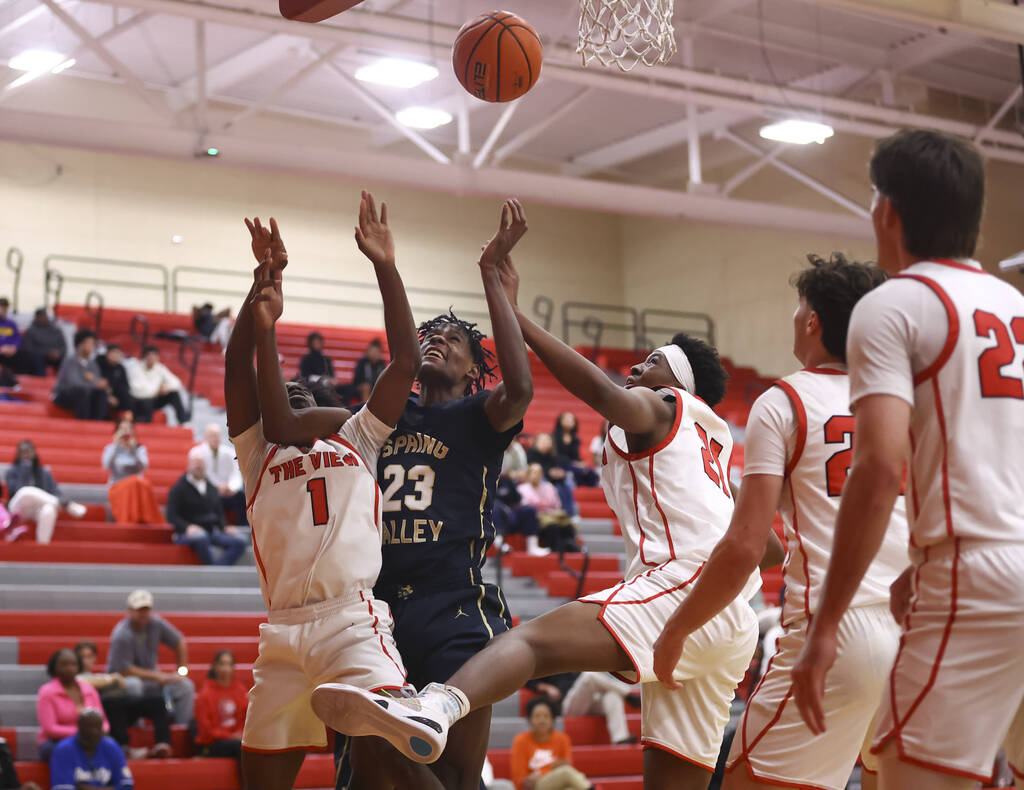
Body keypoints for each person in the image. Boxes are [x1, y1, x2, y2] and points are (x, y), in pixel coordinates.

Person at [317, 255, 784, 789]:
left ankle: (439, 705)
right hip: (733, 617)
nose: (636, 369)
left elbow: (601, 394)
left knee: (528, 644)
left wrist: (517, 316)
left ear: (677, 385)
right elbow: (769, 547)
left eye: (652, 362)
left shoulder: (662, 405)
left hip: (682, 586)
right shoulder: (717, 445)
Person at [790, 130, 1024, 790]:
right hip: (1001, 559)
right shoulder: (1015, 305)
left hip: (977, 578)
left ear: (886, 211)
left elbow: (879, 469)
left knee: (902, 772)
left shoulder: (890, 306)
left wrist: (826, 623)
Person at [651, 254, 908, 790]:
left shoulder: (785, 399)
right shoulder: (902, 402)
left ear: (812, 321)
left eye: (799, 307)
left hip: (839, 630)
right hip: (917, 628)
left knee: (746, 779)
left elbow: (746, 544)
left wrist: (676, 629)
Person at [228, 200, 439, 790]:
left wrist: (386, 266)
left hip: (351, 620)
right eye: (285, 388)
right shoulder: (257, 452)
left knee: (394, 760)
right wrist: (260, 289)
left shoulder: (356, 436)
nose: (291, 391)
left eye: (303, 389)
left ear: (320, 401)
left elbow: (405, 360)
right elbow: (237, 368)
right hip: (281, 632)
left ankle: (408, 708)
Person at [324, 199, 534, 790]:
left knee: (457, 774)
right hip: (374, 608)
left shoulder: (478, 416)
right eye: (431, 336)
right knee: (367, 770)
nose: (437, 341)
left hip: (452, 605)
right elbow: (400, 354)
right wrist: (386, 266)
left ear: (474, 371)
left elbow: (519, 387)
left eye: (452, 339)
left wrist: (492, 276)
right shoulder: (386, 416)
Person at [105, 589, 195, 727]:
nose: (143, 613)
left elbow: (179, 642)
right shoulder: (121, 634)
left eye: (146, 609)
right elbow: (125, 670)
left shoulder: (156, 624)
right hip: (122, 681)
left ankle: (182, 729)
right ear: (130, 611)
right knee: (134, 685)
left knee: (185, 685)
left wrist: (181, 670)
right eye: (139, 610)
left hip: (152, 679)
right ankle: (135, 728)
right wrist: (158, 676)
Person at [74, 641, 171, 760]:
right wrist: (112, 678)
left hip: (118, 713)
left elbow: (121, 686)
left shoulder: (100, 676)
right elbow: (83, 681)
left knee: (156, 701)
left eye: (89, 656)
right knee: (110, 702)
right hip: (97, 716)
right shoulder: (71, 678)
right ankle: (124, 747)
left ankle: (163, 744)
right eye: (82, 656)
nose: (85, 660)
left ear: (95, 658)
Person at [165, 449, 247, 566]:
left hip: (212, 531)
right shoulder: (177, 489)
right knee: (201, 537)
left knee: (241, 540)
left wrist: (224, 527)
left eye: (201, 463)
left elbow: (219, 513)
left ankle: (216, 570)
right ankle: (212, 569)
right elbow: (171, 516)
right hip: (186, 533)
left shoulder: (211, 488)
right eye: (195, 463)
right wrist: (187, 527)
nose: (198, 466)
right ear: (188, 466)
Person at [2, 440, 87, 544]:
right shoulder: (12, 472)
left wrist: (60, 498)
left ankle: (42, 545)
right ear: (18, 455)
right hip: (17, 509)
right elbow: (15, 491)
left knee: (49, 510)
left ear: (34, 453)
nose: (26, 455)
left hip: (36, 509)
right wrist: (25, 469)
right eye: (23, 452)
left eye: (28, 451)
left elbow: (55, 491)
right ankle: (68, 506)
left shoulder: (44, 473)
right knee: (25, 491)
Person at [37, 650, 110, 763]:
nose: (69, 668)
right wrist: (83, 733)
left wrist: (101, 731)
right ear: (54, 667)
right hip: (56, 740)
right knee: (62, 750)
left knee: (111, 745)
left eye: (73, 664)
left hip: (91, 738)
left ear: (79, 666)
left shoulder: (89, 689)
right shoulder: (47, 692)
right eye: (64, 664)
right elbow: (50, 729)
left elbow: (103, 721)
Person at [509, 698, 591, 790]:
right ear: (530, 720)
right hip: (534, 786)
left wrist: (542, 772)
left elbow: (566, 765)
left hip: (557, 782)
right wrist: (552, 768)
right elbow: (519, 780)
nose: (542, 720)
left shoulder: (562, 738)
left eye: (546, 716)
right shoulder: (520, 741)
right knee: (566, 773)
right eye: (537, 716)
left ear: (552, 720)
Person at [49, 709, 133, 790]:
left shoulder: (111, 746)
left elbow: (126, 786)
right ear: (79, 727)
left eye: (97, 727)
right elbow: (62, 788)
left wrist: (84, 788)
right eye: (89, 727)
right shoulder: (64, 749)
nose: (94, 732)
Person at [103, 419, 162, 525]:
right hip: (118, 486)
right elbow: (106, 465)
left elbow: (143, 467)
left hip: (137, 488)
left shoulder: (139, 449)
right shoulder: (111, 448)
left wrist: (134, 450)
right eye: (122, 429)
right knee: (136, 483)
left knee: (142, 484)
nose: (126, 432)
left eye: (128, 429)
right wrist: (116, 445)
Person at [194, 650, 248, 761]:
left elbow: (246, 718)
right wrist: (230, 736)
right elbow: (206, 730)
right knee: (239, 746)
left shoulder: (240, 690)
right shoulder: (205, 694)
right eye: (222, 664)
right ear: (214, 667)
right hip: (213, 744)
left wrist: (239, 733)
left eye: (229, 664)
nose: (225, 669)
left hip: (237, 739)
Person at [563, 673, 638, 746]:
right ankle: (627, 694)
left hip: (593, 700)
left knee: (612, 695)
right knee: (589, 675)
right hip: (570, 704)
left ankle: (620, 739)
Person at [191, 424, 246, 525]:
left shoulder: (230, 453)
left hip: (228, 491)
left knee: (242, 496)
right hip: (207, 492)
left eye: (217, 435)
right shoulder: (196, 453)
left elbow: (236, 474)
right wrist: (215, 487)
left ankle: (244, 526)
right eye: (212, 435)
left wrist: (231, 487)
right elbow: (197, 476)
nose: (215, 438)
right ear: (206, 437)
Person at [518, 463, 576, 553]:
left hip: (552, 514)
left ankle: (571, 549)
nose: (535, 475)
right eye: (533, 472)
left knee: (568, 526)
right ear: (528, 474)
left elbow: (557, 504)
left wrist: (548, 509)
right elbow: (526, 507)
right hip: (536, 517)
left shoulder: (549, 486)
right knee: (552, 527)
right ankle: (556, 552)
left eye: (538, 472)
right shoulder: (522, 489)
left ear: (542, 475)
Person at [53, 329, 110, 421]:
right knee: (82, 393)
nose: (92, 347)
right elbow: (74, 383)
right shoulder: (70, 361)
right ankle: (82, 424)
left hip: (85, 394)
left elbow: (99, 383)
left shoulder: (93, 364)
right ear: (80, 344)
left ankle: (98, 423)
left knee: (101, 394)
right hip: (64, 394)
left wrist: (96, 382)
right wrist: (95, 383)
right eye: (90, 343)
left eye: (93, 344)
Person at [128, 346, 189, 425]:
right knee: (147, 402)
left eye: (154, 355)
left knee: (174, 394)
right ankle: (144, 428)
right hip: (139, 401)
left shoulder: (160, 368)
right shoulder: (135, 368)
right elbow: (137, 390)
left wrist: (166, 388)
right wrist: (157, 391)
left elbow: (177, 383)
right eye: (149, 355)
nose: (152, 358)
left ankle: (183, 421)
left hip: (154, 399)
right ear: (144, 356)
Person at [525, 434, 577, 517]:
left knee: (566, 486)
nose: (546, 443)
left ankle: (569, 514)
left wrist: (560, 474)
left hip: (552, 480)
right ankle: (560, 513)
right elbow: (534, 471)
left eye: (548, 441)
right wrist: (549, 473)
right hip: (540, 479)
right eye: (543, 441)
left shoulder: (552, 455)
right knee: (556, 489)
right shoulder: (531, 454)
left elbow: (555, 468)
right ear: (536, 442)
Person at [552, 413, 597, 487]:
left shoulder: (575, 439)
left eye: (571, 420)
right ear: (560, 421)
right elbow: (555, 455)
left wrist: (581, 463)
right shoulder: (555, 436)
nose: (569, 421)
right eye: (566, 419)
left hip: (572, 464)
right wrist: (573, 463)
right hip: (560, 463)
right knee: (577, 471)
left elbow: (576, 457)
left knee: (589, 472)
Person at [18, 308, 65, 376]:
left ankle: (65, 382)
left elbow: (63, 347)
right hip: (39, 358)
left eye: (43, 315)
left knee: (68, 360)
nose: (41, 317)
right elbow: (28, 349)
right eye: (39, 316)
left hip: (56, 357)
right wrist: (47, 353)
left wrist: (59, 353)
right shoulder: (31, 331)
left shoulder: (56, 330)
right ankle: (41, 381)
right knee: (36, 359)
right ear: (36, 317)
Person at [97, 345, 135, 419]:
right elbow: (98, 382)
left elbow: (125, 386)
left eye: (118, 353)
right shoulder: (99, 365)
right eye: (113, 353)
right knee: (101, 397)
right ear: (107, 354)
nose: (115, 355)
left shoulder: (120, 368)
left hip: (116, 395)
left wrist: (116, 396)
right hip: (102, 394)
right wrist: (108, 396)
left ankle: (128, 421)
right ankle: (100, 422)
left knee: (128, 398)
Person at [351, 338, 386, 403]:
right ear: (368, 352)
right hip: (361, 387)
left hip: (375, 387)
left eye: (377, 352)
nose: (374, 354)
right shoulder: (362, 362)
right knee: (366, 387)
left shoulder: (381, 364)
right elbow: (356, 379)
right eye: (373, 352)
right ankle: (365, 409)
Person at [0, 297, 21, 384]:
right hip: (1, 352)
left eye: (5, 307)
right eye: (1, 306)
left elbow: (18, 338)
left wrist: (14, 348)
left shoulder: (11, 324)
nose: (3, 309)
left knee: (24, 356)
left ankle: (19, 383)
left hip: (10, 353)